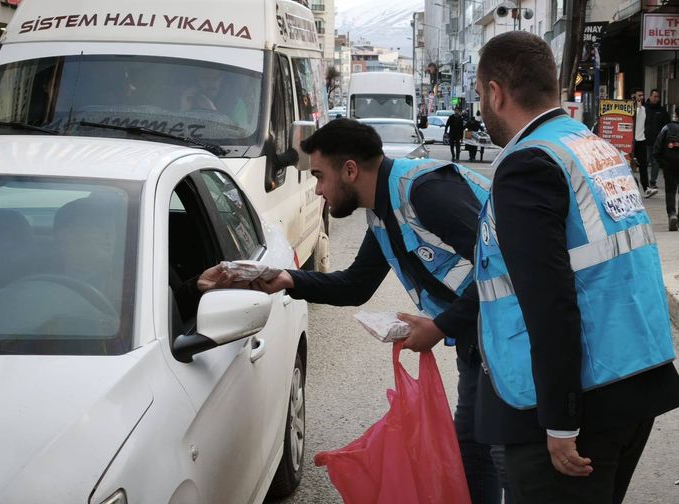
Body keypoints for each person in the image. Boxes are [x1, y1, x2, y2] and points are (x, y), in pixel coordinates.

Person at [199, 118, 507, 504]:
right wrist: (285, 279)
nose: (317, 189)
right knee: (475, 448)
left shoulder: (426, 192)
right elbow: (356, 285)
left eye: (319, 176)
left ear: (349, 170)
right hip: (481, 338)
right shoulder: (381, 209)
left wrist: (440, 326)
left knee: (497, 452)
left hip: (515, 336)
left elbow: (505, 268)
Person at [469, 31, 679, 503]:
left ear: (495, 93)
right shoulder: (590, 146)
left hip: (572, 399)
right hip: (630, 378)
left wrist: (560, 418)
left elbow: (549, 302)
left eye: (479, 95)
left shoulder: (529, 163)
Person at [643, 88, 670, 197]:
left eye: (658, 97)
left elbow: (667, 125)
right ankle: (644, 181)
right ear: (650, 96)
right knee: (645, 161)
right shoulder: (644, 109)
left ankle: (652, 181)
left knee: (655, 162)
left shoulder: (662, 111)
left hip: (658, 141)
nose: (656, 99)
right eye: (654, 96)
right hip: (644, 140)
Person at [631, 88, 649, 190]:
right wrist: (637, 108)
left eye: (642, 95)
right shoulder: (631, 109)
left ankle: (646, 187)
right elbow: (633, 120)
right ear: (633, 97)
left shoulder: (644, 109)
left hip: (641, 139)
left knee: (643, 165)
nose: (641, 98)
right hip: (631, 141)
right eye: (639, 96)